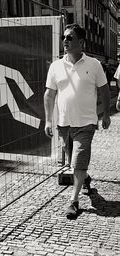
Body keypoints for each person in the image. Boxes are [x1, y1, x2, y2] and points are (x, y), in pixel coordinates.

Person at [44, 23, 111, 219]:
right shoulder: (56, 66)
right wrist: (48, 120)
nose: (65, 40)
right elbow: (49, 94)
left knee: (79, 161)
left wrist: (106, 114)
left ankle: (73, 201)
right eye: (64, 37)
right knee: (75, 162)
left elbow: (105, 90)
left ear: (81, 42)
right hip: (64, 124)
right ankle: (86, 179)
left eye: (70, 37)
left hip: (86, 123)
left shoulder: (94, 65)